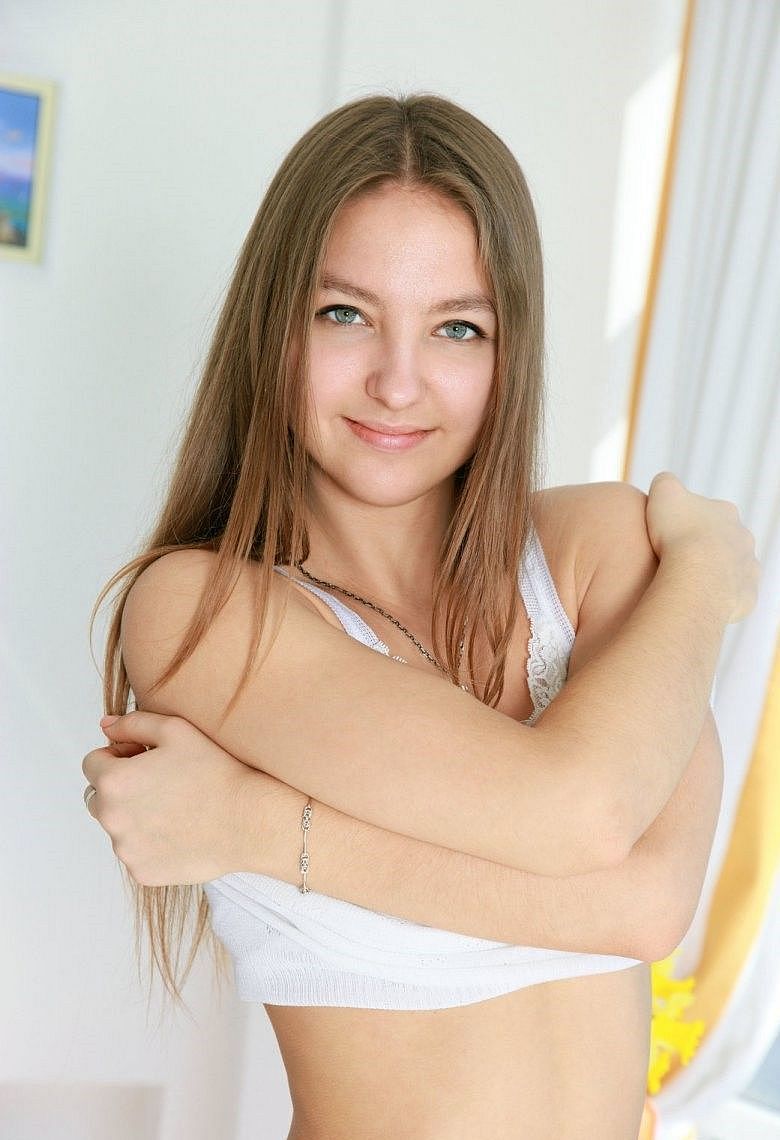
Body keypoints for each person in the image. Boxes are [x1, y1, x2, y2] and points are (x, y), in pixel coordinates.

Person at [83, 93, 759, 1139]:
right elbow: (579, 818)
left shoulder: (595, 550)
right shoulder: (200, 612)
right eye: (345, 314)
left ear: (507, 353)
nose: (397, 384)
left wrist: (259, 825)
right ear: (274, 324)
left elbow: (648, 906)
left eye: (456, 327)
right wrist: (708, 578)